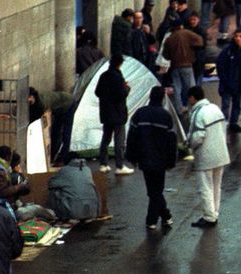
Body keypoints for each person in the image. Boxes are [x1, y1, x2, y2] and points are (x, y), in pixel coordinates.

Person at [127, 86, 179, 230]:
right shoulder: (166, 116)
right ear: (162, 98)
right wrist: (171, 160)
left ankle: (163, 216)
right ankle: (153, 219)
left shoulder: (140, 114)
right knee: (156, 190)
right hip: (161, 160)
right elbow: (172, 141)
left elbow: (132, 136)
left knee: (152, 190)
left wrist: (131, 156)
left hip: (144, 158)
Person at [186, 86, 230, 228]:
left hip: (206, 156)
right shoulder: (215, 108)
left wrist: (189, 144)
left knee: (205, 187)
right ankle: (214, 213)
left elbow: (198, 136)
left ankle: (209, 217)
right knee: (217, 186)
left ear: (193, 98)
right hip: (221, 153)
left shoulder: (198, 113)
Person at [95, 54, 134, 175]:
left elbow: (97, 92)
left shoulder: (104, 76)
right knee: (119, 139)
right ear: (120, 64)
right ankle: (119, 165)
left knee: (106, 138)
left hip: (106, 112)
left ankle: (103, 164)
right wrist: (127, 87)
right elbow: (122, 93)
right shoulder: (118, 77)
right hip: (118, 113)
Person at [216, 29, 241, 133]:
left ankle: (234, 123)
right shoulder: (227, 51)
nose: (238, 38)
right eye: (236, 36)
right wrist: (224, 79)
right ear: (233, 37)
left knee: (237, 104)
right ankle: (223, 124)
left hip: (240, 83)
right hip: (228, 83)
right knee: (226, 105)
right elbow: (220, 65)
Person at [47, 151, 102, 223]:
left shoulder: (64, 170)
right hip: (93, 211)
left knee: (54, 191)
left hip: (74, 213)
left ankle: (62, 216)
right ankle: (87, 216)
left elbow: (50, 184)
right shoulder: (87, 169)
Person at [163, 21, 204, 112]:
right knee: (191, 88)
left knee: (177, 88)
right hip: (187, 65)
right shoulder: (186, 33)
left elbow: (165, 55)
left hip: (175, 66)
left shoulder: (169, 38)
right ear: (181, 26)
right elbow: (200, 41)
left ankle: (179, 109)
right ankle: (193, 109)